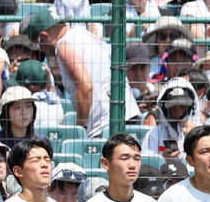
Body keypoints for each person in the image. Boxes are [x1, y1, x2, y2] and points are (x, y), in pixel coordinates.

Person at [26, 10, 137, 139]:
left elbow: (85, 87)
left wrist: (80, 127)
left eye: (38, 43)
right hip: (128, 114)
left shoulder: (64, 46)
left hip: (105, 125)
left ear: (43, 36)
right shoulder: (85, 34)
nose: (40, 49)